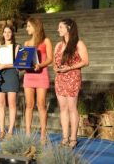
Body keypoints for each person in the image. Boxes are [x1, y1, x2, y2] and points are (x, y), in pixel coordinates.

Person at [54, 18, 89, 149]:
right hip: (60, 79)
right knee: (62, 108)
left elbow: (86, 61)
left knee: (71, 108)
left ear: (68, 28)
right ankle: (65, 137)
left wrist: (69, 67)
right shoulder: (58, 45)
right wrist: (56, 68)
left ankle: (73, 138)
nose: (58, 30)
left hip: (73, 78)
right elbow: (54, 63)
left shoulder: (78, 43)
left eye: (61, 27)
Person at [23, 17, 53, 143]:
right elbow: (24, 60)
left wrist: (40, 65)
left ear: (36, 26)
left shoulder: (46, 41)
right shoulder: (26, 43)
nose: (26, 28)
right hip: (29, 76)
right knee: (29, 105)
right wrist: (21, 65)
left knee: (41, 104)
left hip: (41, 75)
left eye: (29, 26)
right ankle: (28, 133)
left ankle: (43, 134)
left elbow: (50, 59)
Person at [0, 25, 20, 141]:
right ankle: (1, 130)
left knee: (12, 103)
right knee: (0, 103)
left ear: (12, 34)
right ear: (3, 34)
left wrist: (4, 65)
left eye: (9, 32)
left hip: (11, 75)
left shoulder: (16, 46)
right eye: (5, 32)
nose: (7, 34)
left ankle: (10, 131)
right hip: (1, 75)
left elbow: (16, 63)